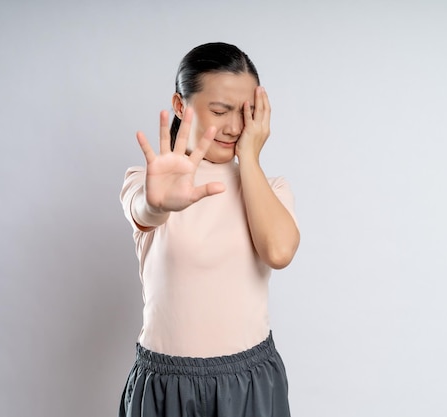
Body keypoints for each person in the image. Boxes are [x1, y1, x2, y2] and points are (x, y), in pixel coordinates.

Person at [118, 42, 300, 417]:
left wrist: (248, 157)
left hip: (248, 381)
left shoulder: (273, 190)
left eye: (246, 112)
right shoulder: (150, 181)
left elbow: (279, 253)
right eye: (220, 110)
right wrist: (156, 201)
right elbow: (145, 210)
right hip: (167, 384)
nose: (234, 126)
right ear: (181, 105)